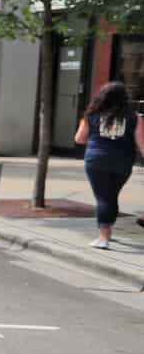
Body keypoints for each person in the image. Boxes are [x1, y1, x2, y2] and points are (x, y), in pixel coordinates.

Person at [75, 81, 144, 249]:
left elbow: (79, 139)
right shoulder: (135, 118)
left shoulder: (91, 115)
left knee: (103, 197)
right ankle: (108, 227)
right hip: (123, 162)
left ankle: (103, 237)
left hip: (96, 160)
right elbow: (141, 143)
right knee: (111, 195)